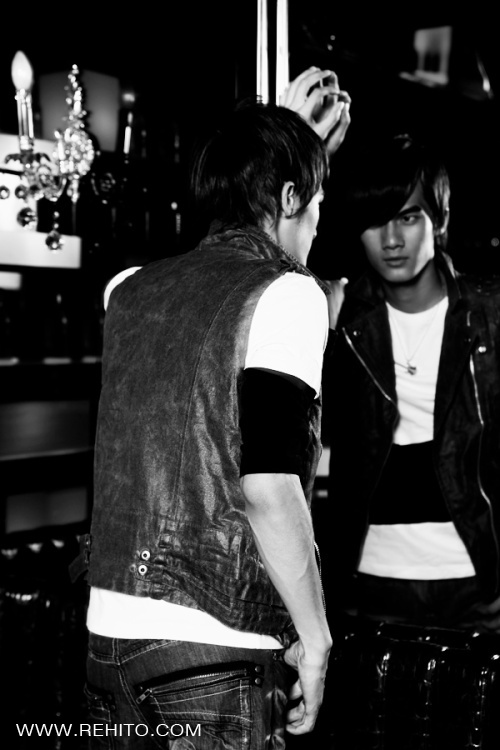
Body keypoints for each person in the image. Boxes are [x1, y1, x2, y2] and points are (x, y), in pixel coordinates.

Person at [72, 88, 350, 749]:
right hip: (212, 648)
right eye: (316, 206)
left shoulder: (127, 289)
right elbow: (269, 487)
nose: (316, 229)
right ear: (289, 198)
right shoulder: (288, 292)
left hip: (105, 637)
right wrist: (315, 637)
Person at [320, 133, 500, 633]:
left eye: (407, 217)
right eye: (375, 220)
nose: (391, 240)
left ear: (439, 219)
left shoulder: (489, 316)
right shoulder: (339, 319)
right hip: (370, 580)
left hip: (477, 581)